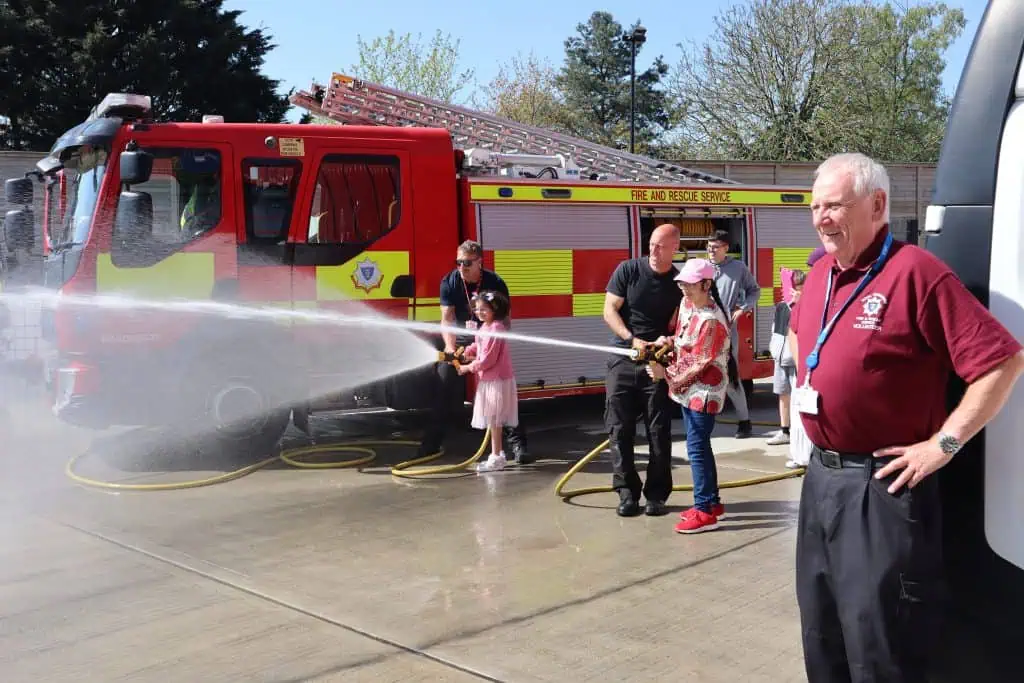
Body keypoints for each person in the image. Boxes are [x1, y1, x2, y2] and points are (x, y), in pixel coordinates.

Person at [789, 152, 1024, 682]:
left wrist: (942, 444)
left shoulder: (916, 273)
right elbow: (808, 344)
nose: (822, 217)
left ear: (877, 206)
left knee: (879, 644)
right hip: (821, 483)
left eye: (835, 206)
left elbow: (1002, 362)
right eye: (816, 206)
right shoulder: (821, 273)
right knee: (822, 633)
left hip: (880, 488)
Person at [646, 258, 738, 534]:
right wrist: (667, 342)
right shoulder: (688, 306)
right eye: (682, 283)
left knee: (697, 450)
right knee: (700, 448)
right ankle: (710, 503)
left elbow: (698, 362)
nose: (684, 288)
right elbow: (682, 337)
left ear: (706, 284)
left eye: (690, 284)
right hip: (688, 391)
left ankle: (704, 511)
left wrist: (665, 374)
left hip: (705, 392)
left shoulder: (712, 321)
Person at [420, 240, 532, 464]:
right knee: (443, 384)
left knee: (500, 394)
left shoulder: (495, 282)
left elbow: (505, 322)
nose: (462, 267)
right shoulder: (450, 282)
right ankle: (431, 445)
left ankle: (519, 446)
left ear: (480, 262)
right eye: (458, 262)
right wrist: (451, 348)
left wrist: (485, 344)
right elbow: (447, 319)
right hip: (461, 338)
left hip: (491, 335)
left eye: (467, 263)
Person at [602, 223, 683, 517]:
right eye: (650, 245)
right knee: (618, 429)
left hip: (656, 363)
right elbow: (609, 310)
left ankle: (657, 495)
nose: (653, 251)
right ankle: (626, 494)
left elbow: (681, 323)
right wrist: (630, 339)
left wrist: (667, 341)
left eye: (660, 247)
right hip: (623, 359)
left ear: (674, 248)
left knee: (658, 432)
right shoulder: (628, 270)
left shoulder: (678, 281)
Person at [705, 229, 760, 438]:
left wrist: (744, 308)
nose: (711, 251)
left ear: (726, 248)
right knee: (701, 375)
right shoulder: (701, 268)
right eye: (708, 247)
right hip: (703, 332)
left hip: (727, 332)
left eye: (715, 247)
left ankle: (744, 422)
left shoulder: (738, 268)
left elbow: (754, 290)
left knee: (730, 377)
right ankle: (704, 421)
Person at [456, 290, 518, 473]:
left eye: (484, 309)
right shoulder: (485, 327)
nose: (479, 312)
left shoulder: (496, 328)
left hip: (497, 380)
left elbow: (488, 360)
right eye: (477, 309)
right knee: (493, 422)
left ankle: (496, 457)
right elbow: (480, 345)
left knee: (495, 423)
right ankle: (496, 454)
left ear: (495, 309)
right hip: (489, 380)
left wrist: (468, 367)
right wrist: (467, 351)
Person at [765, 268, 805, 447]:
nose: (794, 291)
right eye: (792, 287)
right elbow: (775, 328)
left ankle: (801, 433)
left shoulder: (806, 305)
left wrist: (799, 305)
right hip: (780, 357)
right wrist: (773, 350)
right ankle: (785, 430)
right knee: (783, 394)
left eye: (799, 287)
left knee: (798, 398)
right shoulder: (781, 306)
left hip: (795, 358)